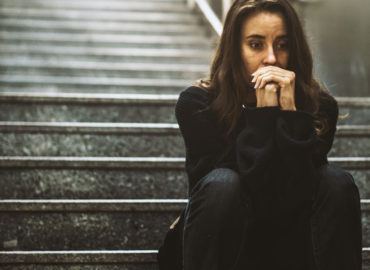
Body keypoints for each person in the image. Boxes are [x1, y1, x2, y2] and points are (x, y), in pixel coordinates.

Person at [157, 0, 362, 269]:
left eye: (283, 44)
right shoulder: (198, 104)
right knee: (223, 183)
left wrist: (291, 115)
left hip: (291, 247)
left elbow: (297, 191)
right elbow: (237, 193)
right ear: (234, 49)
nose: (272, 59)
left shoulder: (320, 108)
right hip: (228, 247)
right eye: (255, 44)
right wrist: (264, 114)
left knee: (336, 182)